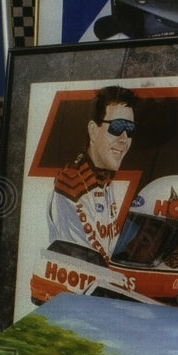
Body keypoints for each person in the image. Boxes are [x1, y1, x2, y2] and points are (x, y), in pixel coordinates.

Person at [46, 85, 138, 263]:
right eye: (117, 127)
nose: (124, 139)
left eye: (130, 129)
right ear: (93, 131)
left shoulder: (104, 178)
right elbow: (84, 265)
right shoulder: (73, 183)